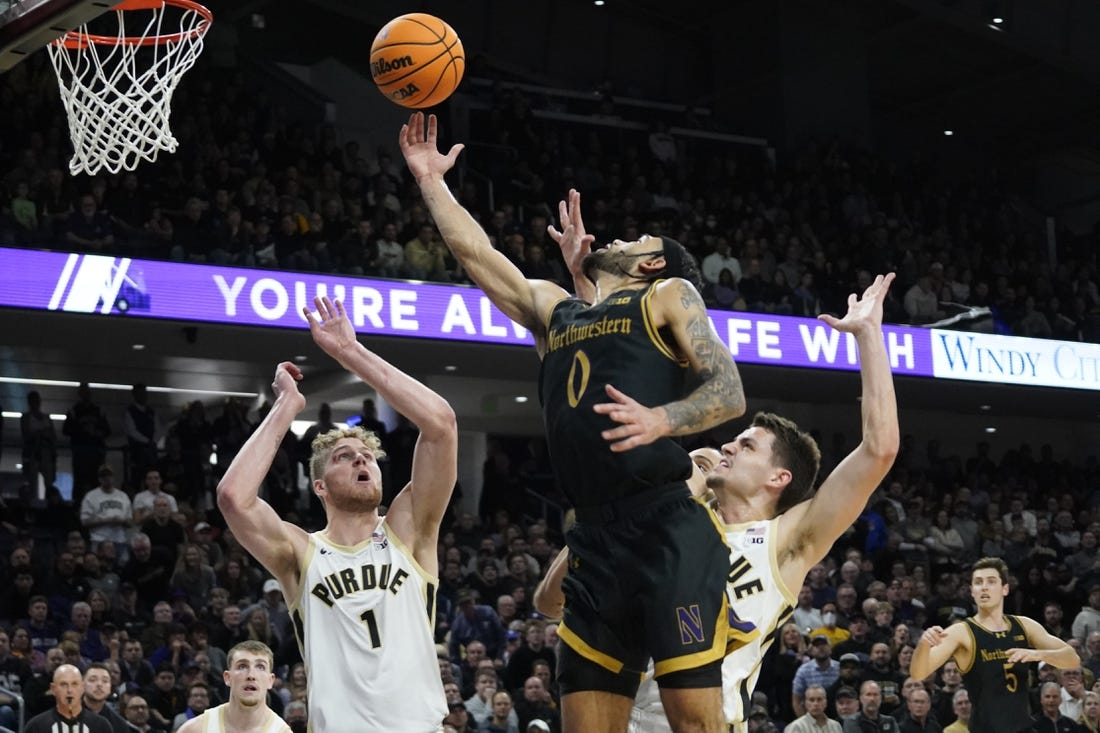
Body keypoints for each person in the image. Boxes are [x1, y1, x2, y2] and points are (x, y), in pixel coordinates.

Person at [401, 112, 746, 733]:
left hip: (667, 528)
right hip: (593, 538)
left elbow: (728, 391)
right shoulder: (560, 313)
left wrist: (662, 419)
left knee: (696, 723)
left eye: (642, 240)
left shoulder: (668, 295)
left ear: (651, 267)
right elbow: (479, 255)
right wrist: (431, 181)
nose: (627, 236)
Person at [217, 294, 456, 732]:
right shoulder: (300, 552)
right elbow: (234, 497)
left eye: (368, 455)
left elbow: (440, 424)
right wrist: (285, 409)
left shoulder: (410, 529)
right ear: (320, 487)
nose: (363, 461)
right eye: (346, 457)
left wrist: (350, 352)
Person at [911, 557, 1079, 733]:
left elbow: (1072, 659)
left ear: (1005, 589)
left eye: (991, 581)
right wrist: (923, 645)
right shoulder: (961, 632)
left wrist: (1039, 655)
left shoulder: (1024, 625)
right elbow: (918, 673)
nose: (984, 587)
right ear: (972, 591)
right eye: (978, 582)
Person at [177, 641, 289, 733]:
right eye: (242, 666)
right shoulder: (195, 729)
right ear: (227, 677)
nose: (251, 675)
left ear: (270, 681)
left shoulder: (281, 731)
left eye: (260, 667)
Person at [23, 663, 113, 733]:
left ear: (82, 688)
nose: (69, 690)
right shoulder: (37, 725)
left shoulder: (101, 725)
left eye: (74, 684)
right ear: (53, 689)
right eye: (63, 684)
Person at [83, 662, 133, 733]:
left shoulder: (119, 724)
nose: (99, 684)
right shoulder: (66, 715)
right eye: (93, 680)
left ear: (110, 687)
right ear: (82, 684)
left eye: (105, 681)